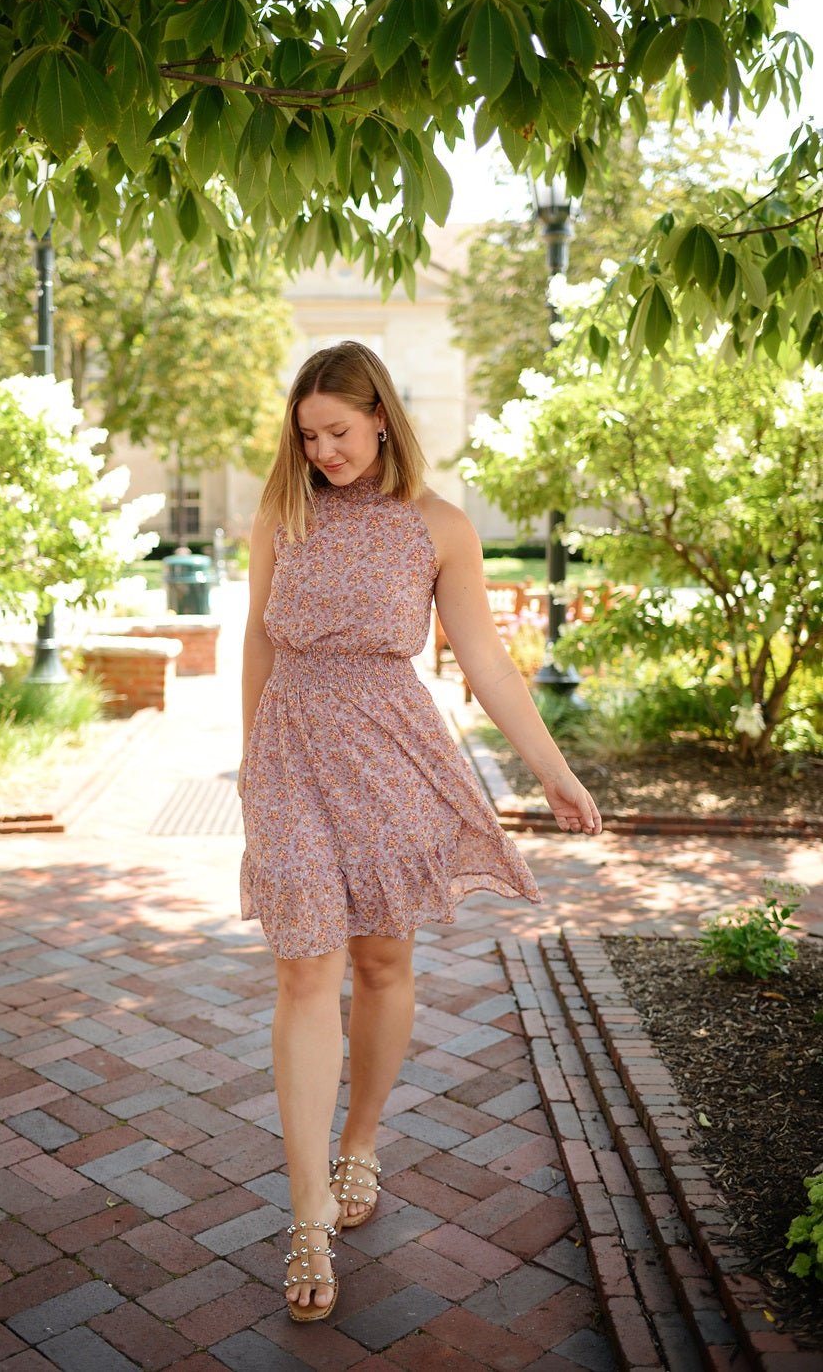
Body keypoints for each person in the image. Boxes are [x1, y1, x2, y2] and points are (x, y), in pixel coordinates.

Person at [238, 341, 602, 1323]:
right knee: (303, 966)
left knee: (382, 960)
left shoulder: (439, 527)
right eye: (307, 435)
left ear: (382, 420)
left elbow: (482, 656)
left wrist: (553, 773)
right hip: (293, 756)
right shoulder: (285, 511)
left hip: (391, 754)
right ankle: (307, 1210)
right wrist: (250, 770)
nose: (322, 451)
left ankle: (361, 1141)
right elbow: (259, 640)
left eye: (338, 432)